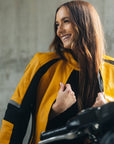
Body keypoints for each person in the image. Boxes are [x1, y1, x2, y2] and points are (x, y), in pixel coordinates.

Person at [0, 1, 114, 144]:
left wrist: (104, 112)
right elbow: (15, 115)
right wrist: (55, 110)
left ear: (85, 23)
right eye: (57, 25)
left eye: (65, 21)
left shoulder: (112, 68)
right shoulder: (42, 64)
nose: (59, 31)